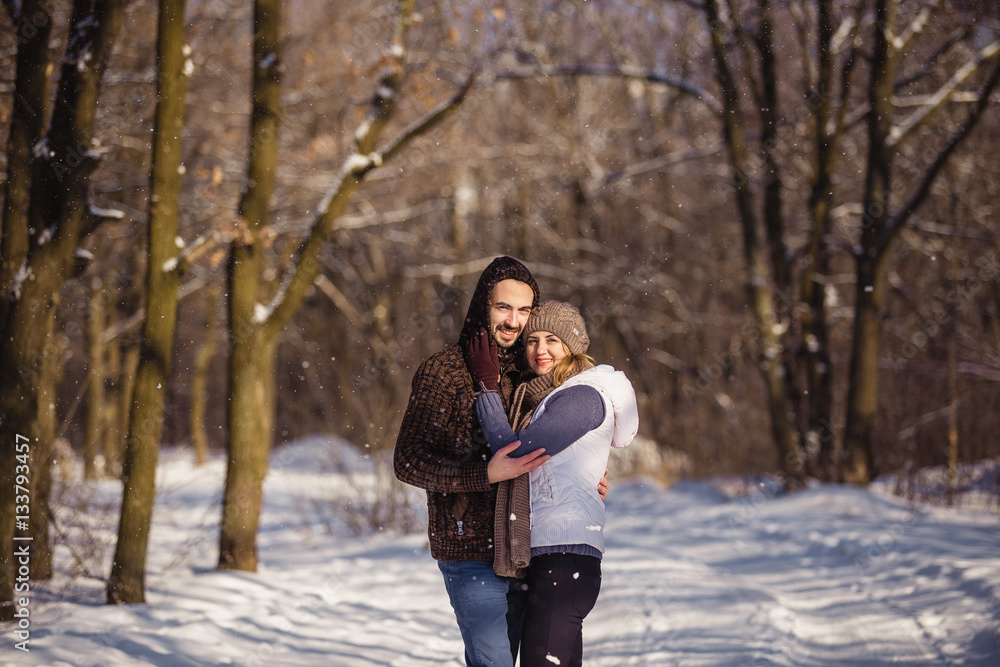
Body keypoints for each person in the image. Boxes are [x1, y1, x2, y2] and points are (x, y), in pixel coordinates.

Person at [393, 256, 550, 667]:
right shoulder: (443, 371)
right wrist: (482, 474)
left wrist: (585, 476)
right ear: (484, 306)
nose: (513, 321)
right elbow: (409, 460)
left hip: (527, 548)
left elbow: (549, 448)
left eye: (524, 310)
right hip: (470, 550)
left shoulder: (534, 375)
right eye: (504, 307)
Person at [465, 301, 639, 667]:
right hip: (552, 555)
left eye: (552, 340)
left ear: (572, 345)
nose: (539, 350)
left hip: (565, 558)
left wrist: (486, 390)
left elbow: (516, 453)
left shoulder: (583, 395)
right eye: (532, 340)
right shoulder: (550, 397)